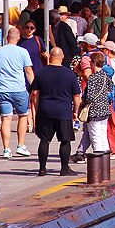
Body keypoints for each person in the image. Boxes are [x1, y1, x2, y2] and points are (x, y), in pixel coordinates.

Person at [30, 48, 80, 176]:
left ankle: (42, 168)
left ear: (50, 57)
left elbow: (35, 93)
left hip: (45, 110)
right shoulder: (69, 74)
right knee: (65, 140)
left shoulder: (41, 72)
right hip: (63, 111)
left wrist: (37, 108)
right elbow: (76, 96)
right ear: (62, 57)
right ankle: (64, 168)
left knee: (45, 140)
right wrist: (76, 111)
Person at [0, 28, 35, 159]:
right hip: (19, 89)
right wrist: (34, 87)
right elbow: (28, 71)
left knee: (6, 118)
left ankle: (6, 149)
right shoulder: (23, 52)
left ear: (6, 37)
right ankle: (21, 146)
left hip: (3, 89)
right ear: (19, 37)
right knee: (22, 116)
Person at [80, 52, 112, 156]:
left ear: (93, 63)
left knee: (95, 136)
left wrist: (83, 102)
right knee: (103, 135)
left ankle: (98, 163)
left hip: (94, 111)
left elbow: (90, 96)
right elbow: (110, 88)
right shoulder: (105, 76)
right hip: (105, 110)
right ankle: (105, 160)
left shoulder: (93, 78)